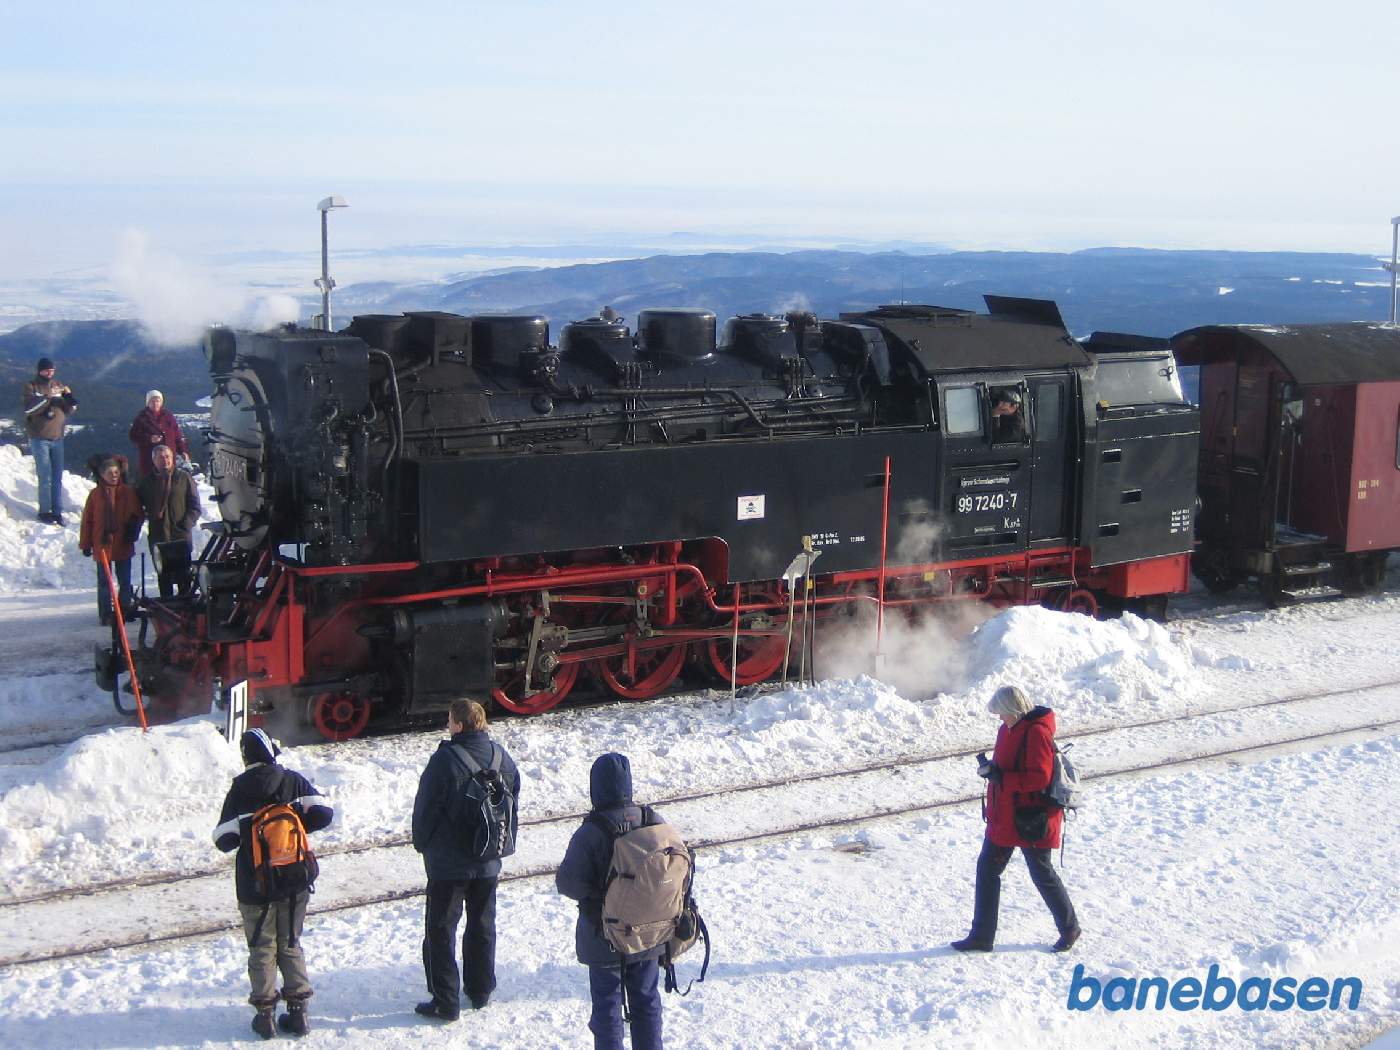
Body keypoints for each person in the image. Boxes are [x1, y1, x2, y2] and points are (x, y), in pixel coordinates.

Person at [214, 729, 334, 1039]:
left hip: (255, 884)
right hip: (294, 878)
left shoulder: (239, 789)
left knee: (262, 947)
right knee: (290, 942)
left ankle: (265, 1017)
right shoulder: (291, 779)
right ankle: (299, 1014)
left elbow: (223, 839)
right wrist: (293, 829)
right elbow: (324, 813)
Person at [411, 698, 521, 1021]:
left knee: (441, 929)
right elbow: (513, 797)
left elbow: (426, 809)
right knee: (482, 924)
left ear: (458, 724)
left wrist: (423, 844)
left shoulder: (445, 760)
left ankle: (445, 1000)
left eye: (449, 720)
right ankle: (480, 989)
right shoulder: (503, 758)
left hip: (448, 866)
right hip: (488, 860)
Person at [951, 684, 1080, 954]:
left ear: (1013, 710)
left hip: (1031, 818)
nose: (999, 718)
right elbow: (1009, 766)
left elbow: (1039, 778)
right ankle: (981, 936)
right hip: (1005, 817)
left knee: (1042, 873)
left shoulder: (1036, 733)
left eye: (1001, 713)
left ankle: (1070, 928)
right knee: (987, 871)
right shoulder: (1007, 729)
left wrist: (1002, 778)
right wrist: (991, 770)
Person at [556, 753, 665, 1050]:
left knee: (607, 1009)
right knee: (647, 1002)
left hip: (603, 934)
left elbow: (568, 883)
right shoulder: (651, 820)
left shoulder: (591, 831)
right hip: (647, 934)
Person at [78, 454, 144, 626]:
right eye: (109, 472)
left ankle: (125, 609)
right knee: (104, 582)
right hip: (102, 544)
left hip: (123, 542)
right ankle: (106, 613)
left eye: (116, 471)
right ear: (102, 475)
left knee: (125, 580)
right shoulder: (95, 495)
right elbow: (88, 521)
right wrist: (85, 543)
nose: (114, 475)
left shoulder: (128, 492)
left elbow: (138, 515)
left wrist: (133, 532)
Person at [136, 443, 202, 598]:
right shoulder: (146, 482)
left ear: (172, 458)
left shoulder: (183, 478)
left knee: (183, 576)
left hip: (180, 535)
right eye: (160, 457)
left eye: (167, 457)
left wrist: (185, 525)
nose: (164, 460)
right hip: (158, 535)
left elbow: (195, 506)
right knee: (163, 576)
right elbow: (137, 508)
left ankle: (185, 608)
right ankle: (168, 609)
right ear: (154, 461)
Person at [21, 357, 77, 525]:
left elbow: (69, 410)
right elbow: (29, 409)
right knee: (45, 476)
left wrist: (69, 397)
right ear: (39, 371)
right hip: (39, 438)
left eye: (51, 370)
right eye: (46, 370)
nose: (49, 373)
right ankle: (45, 511)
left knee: (57, 477)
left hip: (57, 438)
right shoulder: (31, 386)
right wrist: (48, 397)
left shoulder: (58, 384)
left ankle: (57, 511)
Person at [128, 389, 190, 477]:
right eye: (152, 401)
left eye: (158, 401)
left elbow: (177, 435)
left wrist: (183, 450)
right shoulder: (142, 418)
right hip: (149, 460)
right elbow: (133, 435)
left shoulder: (168, 416)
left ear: (161, 402)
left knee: (169, 482)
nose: (155, 403)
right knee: (153, 485)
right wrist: (149, 438)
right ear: (148, 403)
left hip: (168, 459)